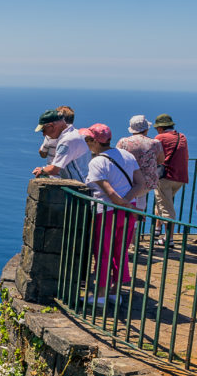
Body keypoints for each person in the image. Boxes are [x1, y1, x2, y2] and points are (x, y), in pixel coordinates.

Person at [79, 123, 144, 307]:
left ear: (93, 141)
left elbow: (110, 194)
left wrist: (121, 202)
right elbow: (140, 184)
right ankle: (115, 292)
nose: (87, 144)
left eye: (88, 140)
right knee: (120, 251)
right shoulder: (127, 155)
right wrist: (129, 204)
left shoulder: (97, 162)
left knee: (103, 253)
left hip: (106, 213)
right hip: (128, 212)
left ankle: (100, 296)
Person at [153, 114, 190, 247]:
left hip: (166, 177)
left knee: (167, 209)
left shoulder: (160, 137)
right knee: (164, 202)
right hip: (180, 177)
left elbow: (153, 155)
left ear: (161, 128)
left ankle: (169, 239)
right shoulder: (182, 136)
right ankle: (157, 230)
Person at [115, 115, 164, 201]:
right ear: (146, 129)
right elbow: (161, 160)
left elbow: (116, 159)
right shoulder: (155, 143)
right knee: (140, 206)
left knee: (127, 206)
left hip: (128, 180)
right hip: (147, 182)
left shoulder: (123, 142)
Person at [32, 109, 89, 182]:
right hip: (85, 181)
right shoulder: (77, 133)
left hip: (79, 186)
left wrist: (42, 170)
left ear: (51, 126)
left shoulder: (66, 140)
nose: (44, 134)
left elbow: (54, 169)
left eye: (43, 130)